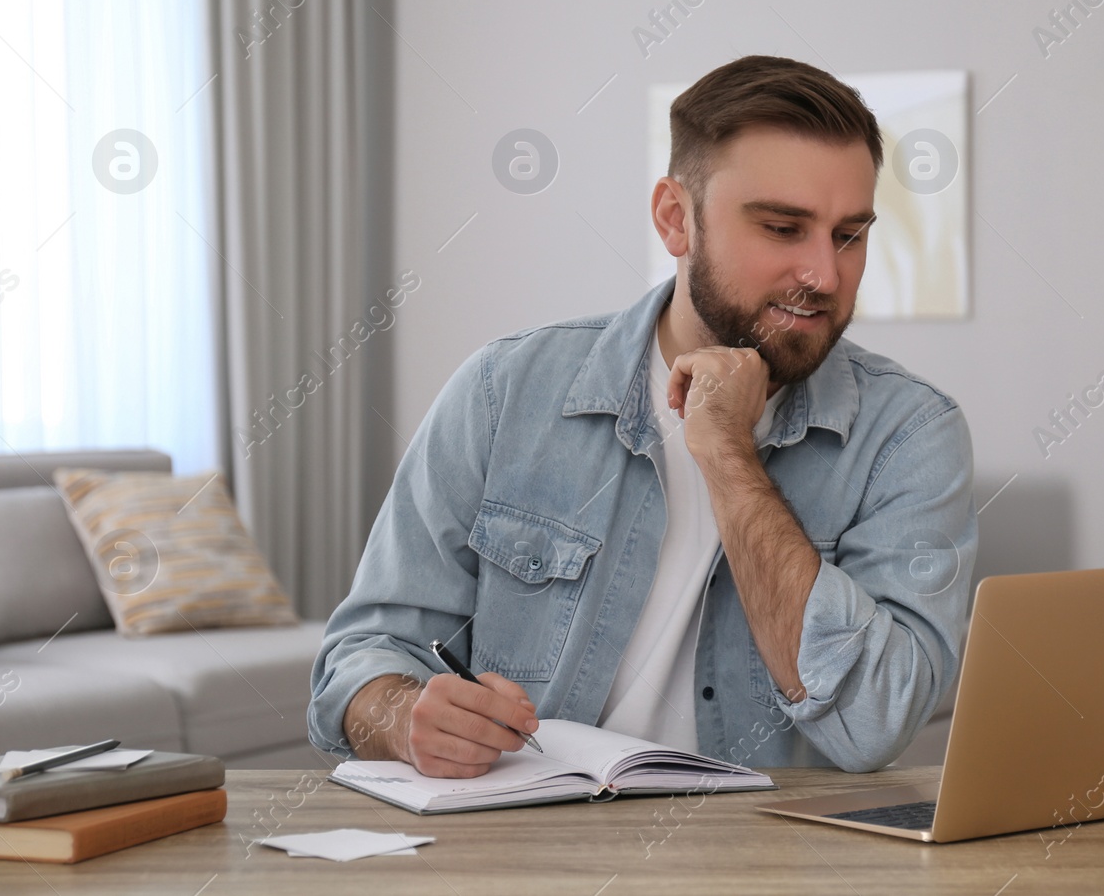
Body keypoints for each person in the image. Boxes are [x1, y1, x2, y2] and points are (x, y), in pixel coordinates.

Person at [307, 55, 977, 776]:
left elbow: (874, 723)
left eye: (849, 234)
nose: (825, 273)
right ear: (674, 218)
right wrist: (405, 716)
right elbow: (357, 660)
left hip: (769, 863)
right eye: (784, 228)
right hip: (528, 853)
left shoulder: (910, 436)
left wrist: (727, 454)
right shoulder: (504, 392)